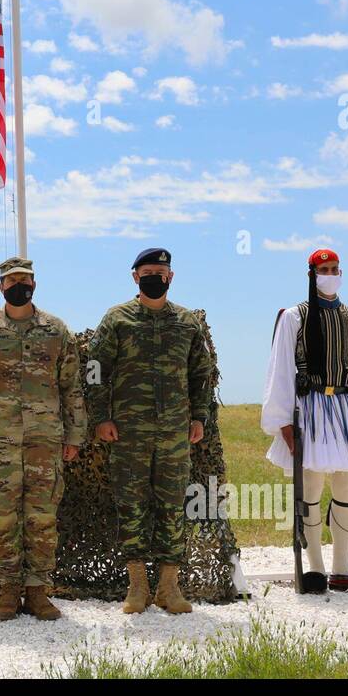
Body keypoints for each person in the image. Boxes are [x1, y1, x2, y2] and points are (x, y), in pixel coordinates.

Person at [261, 247, 348, 593]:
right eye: (324, 268)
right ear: (312, 273)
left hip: (346, 410)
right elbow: (280, 371)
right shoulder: (293, 316)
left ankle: (342, 567)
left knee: (346, 488)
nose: (330, 272)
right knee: (310, 489)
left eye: (335, 267)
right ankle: (315, 569)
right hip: (309, 408)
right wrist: (283, 421)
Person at [0, 256, 86, 621]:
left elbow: (71, 387)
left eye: (25, 280)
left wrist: (75, 435)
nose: (18, 286)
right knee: (1, 518)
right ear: (0, 286)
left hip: (45, 442)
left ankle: (38, 591)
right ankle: (9, 592)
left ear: (35, 285)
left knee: (42, 516)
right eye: (11, 281)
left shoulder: (56, 331)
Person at [87, 248, 211, 614]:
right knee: (132, 505)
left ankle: (169, 588)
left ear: (171, 276)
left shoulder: (187, 323)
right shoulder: (117, 319)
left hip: (175, 433)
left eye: (161, 271)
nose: (155, 276)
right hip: (128, 432)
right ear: (135, 277)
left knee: (173, 506)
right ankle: (137, 586)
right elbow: (95, 369)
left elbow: (201, 373)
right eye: (148, 271)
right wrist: (101, 418)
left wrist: (200, 417)